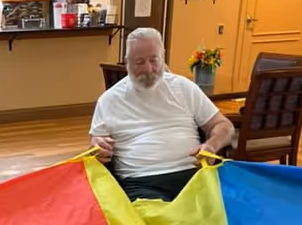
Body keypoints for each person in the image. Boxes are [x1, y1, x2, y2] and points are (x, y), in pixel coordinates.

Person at [90, 28, 234, 202]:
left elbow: (224, 126)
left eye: (154, 60)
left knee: (231, 216)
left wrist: (211, 145)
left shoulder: (183, 87)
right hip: (141, 183)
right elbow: (96, 146)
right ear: (127, 62)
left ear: (163, 56)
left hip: (195, 175)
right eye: (139, 62)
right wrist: (98, 147)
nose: (148, 69)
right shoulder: (109, 100)